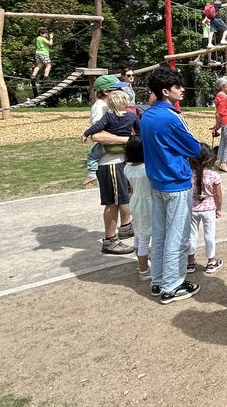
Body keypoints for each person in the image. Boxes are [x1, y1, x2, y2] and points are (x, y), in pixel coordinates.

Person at [140, 68, 203, 305]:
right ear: (166, 91)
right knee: (177, 235)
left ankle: (158, 281)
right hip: (176, 182)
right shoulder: (171, 116)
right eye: (178, 87)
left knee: (161, 234)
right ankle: (171, 286)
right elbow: (194, 148)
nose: (182, 89)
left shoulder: (146, 115)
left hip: (156, 181)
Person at [83, 88, 137, 255]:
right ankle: (110, 240)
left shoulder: (111, 113)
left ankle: (126, 227)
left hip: (120, 161)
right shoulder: (101, 110)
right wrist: (129, 139)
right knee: (113, 201)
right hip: (111, 163)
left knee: (124, 196)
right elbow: (98, 135)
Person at [187, 142, 223, 275]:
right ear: (209, 158)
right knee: (209, 236)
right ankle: (211, 262)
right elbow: (218, 195)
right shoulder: (214, 175)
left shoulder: (189, 173)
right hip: (208, 209)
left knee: (191, 236)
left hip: (192, 209)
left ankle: (190, 262)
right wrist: (219, 208)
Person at [123, 136, 152, 281]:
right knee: (144, 238)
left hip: (135, 202)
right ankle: (144, 270)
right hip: (147, 204)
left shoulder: (127, 168)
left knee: (139, 235)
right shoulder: (147, 169)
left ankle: (141, 264)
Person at [31, 28, 53, 94]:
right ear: (41, 34)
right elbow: (50, 44)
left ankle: (33, 75)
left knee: (39, 65)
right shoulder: (43, 39)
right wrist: (51, 38)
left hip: (38, 53)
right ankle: (45, 77)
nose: (47, 35)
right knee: (48, 65)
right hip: (44, 53)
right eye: (45, 34)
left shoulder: (38, 38)